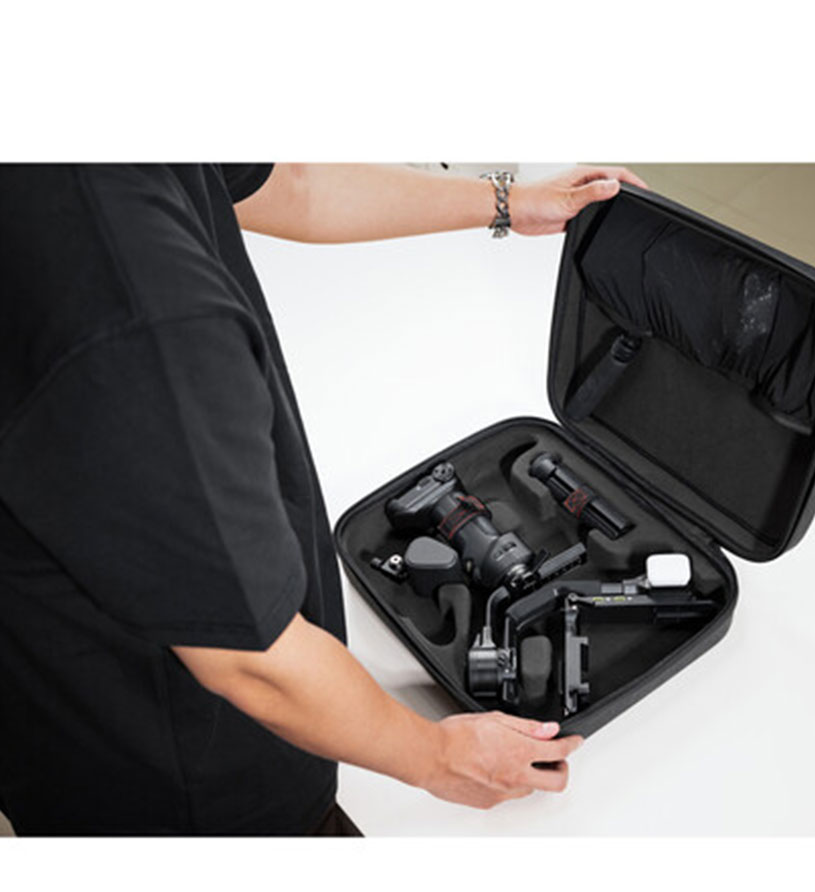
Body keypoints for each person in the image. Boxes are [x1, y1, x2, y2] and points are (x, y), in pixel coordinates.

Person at [0, 163, 647, 836]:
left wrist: (507, 202)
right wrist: (434, 755)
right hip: (190, 790)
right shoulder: (139, 323)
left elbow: (289, 185)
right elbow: (252, 661)